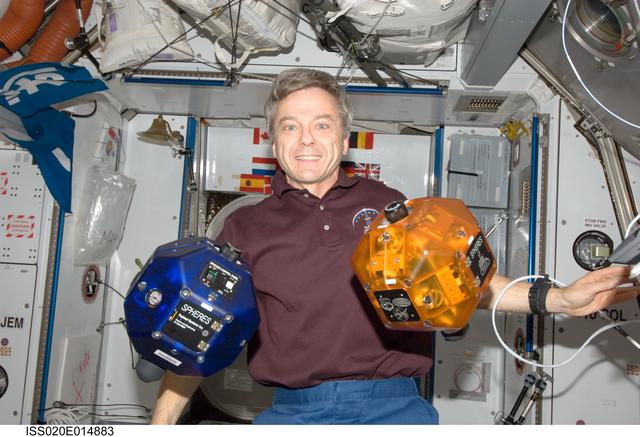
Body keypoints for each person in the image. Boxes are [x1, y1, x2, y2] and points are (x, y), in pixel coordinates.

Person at [150, 68, 639, 425]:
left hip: (395, 407)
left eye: (321, 124)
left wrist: (559, 299)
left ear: (344, 140)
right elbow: (198, 335)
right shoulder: (243, 229)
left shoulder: (389, 205)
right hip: (293, 413)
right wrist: (161, 423)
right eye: (290, 126)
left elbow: (461, 284)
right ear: (273, 143)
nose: (306, 140)